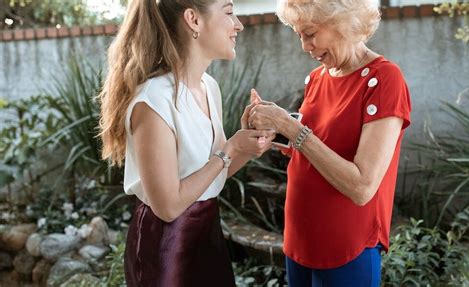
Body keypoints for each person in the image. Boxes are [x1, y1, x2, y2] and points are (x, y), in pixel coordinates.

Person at [97, 0, 275, 286]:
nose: (238, 25)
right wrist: (230, 149)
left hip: (207, 236)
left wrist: (246, 146)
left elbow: (212, 174)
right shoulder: (154, 101)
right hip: (167, 246)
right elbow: (168, 206)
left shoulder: (208, 87)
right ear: (193, 19)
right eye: (229, 12)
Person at [246, 0, 412, 286]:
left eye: (310, 34)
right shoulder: (316, 78)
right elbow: (315, 149)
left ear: (343, 23)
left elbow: (361, 187)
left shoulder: (383, 79)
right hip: (300, 235)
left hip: (347, 243)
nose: (304, 46)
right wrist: (271, 130)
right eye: (298, 35)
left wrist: (291, 126)